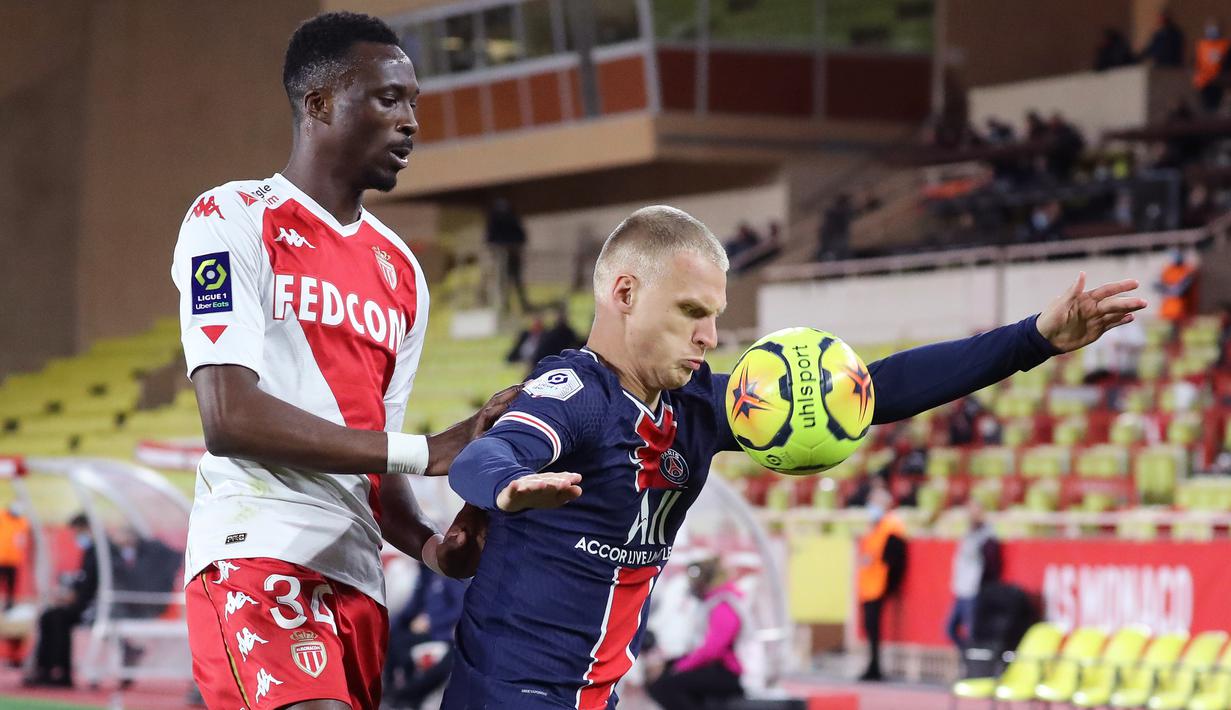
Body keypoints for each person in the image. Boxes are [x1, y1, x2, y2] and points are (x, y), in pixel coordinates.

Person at [442, 203, 1145, 708]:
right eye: (691, 312)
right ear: (624, 293)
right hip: (511, 692)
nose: (711, 336)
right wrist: (508, 487)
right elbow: (489, 453)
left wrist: (1034, 339)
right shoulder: (573, 393)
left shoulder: (693, 408)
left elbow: (881, 389)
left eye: (714, 315)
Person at [170, 13, 516, 710]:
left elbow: (375, 464)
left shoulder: (402, 272)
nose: (412, 121)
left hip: (358, 578)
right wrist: (428, 449)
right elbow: (228, 417)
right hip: (256, 547)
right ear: (319, 104)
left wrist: (428, 546)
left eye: (414, 102)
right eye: (390, 99)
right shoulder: (230, 216)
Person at [647, 555, 744, 710]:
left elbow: (712, 650)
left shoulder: (723, 604)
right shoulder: (711, 603)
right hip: (715, 666)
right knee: (662, 678)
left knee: (664, 686)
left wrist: (681, 667)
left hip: (727, 671)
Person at [25, 514, 101, 687]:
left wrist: (74, 597)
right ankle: (44, 668)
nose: (76, 536)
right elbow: (82, 581)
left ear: (88, 528)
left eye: (78, 531)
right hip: (81, 603)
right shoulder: (90, 552)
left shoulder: (100, 552)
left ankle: (62, 672)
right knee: (48, 616)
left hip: (92, 607)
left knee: (59, 618)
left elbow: (92, 585)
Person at [386, 567, 467, 709]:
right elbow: (414, 604)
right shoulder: (427, 573)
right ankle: (389, 692)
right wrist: (388, 626)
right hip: (419, 631)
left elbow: (458, 610)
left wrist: (431, 621)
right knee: (392, 641)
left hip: (441, 635)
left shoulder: (455, 576)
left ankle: (404, 697)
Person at [857, 484, 907, 681]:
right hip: (868, 585)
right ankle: (872, 665)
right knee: (869, 629)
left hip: (879, 585)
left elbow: (895, 558)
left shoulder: (892, 525)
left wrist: (891, 585)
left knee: (875, 630)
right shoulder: (875, 526)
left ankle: (875, 667)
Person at [946, 501, 1000, 652]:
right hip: (961, 588)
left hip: (974, 589)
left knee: (972, 632)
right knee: (950, 629)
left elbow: (991, 564)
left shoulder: (987, 536)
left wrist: (984, 586)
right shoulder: (968, 533)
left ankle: (972, 663)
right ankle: (967, 656)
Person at [486, 197, 531, 312]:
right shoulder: (494, 222)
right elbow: (490, 239)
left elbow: (521, 236)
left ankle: (522, 304)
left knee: (516, 281)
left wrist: (513, 246)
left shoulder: (512, 220)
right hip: (501, 257)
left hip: (513, 256)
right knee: (502, 282)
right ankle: (505, 306)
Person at [1194, 19, 1229, 112]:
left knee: (1216, 107)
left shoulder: (1225, 45)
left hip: (1219, 80)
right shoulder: (1202, 45)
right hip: (1204, 81)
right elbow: (1198, 63)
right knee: (1206, 107)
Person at [1156, 249, 1199, 322]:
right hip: (1167, 310)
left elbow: (1181, 289)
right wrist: (1166, 288)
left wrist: (1173, 289)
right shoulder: (1168, 270)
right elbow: (1157, 284)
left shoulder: (1187, 270)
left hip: (1182, 310)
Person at [0, 504, 29, 610]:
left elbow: (21, 539)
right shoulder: (2, 517)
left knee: (11, 585)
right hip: (1, 558)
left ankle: (9, 605)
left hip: (14, 560)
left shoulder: (22, 522)